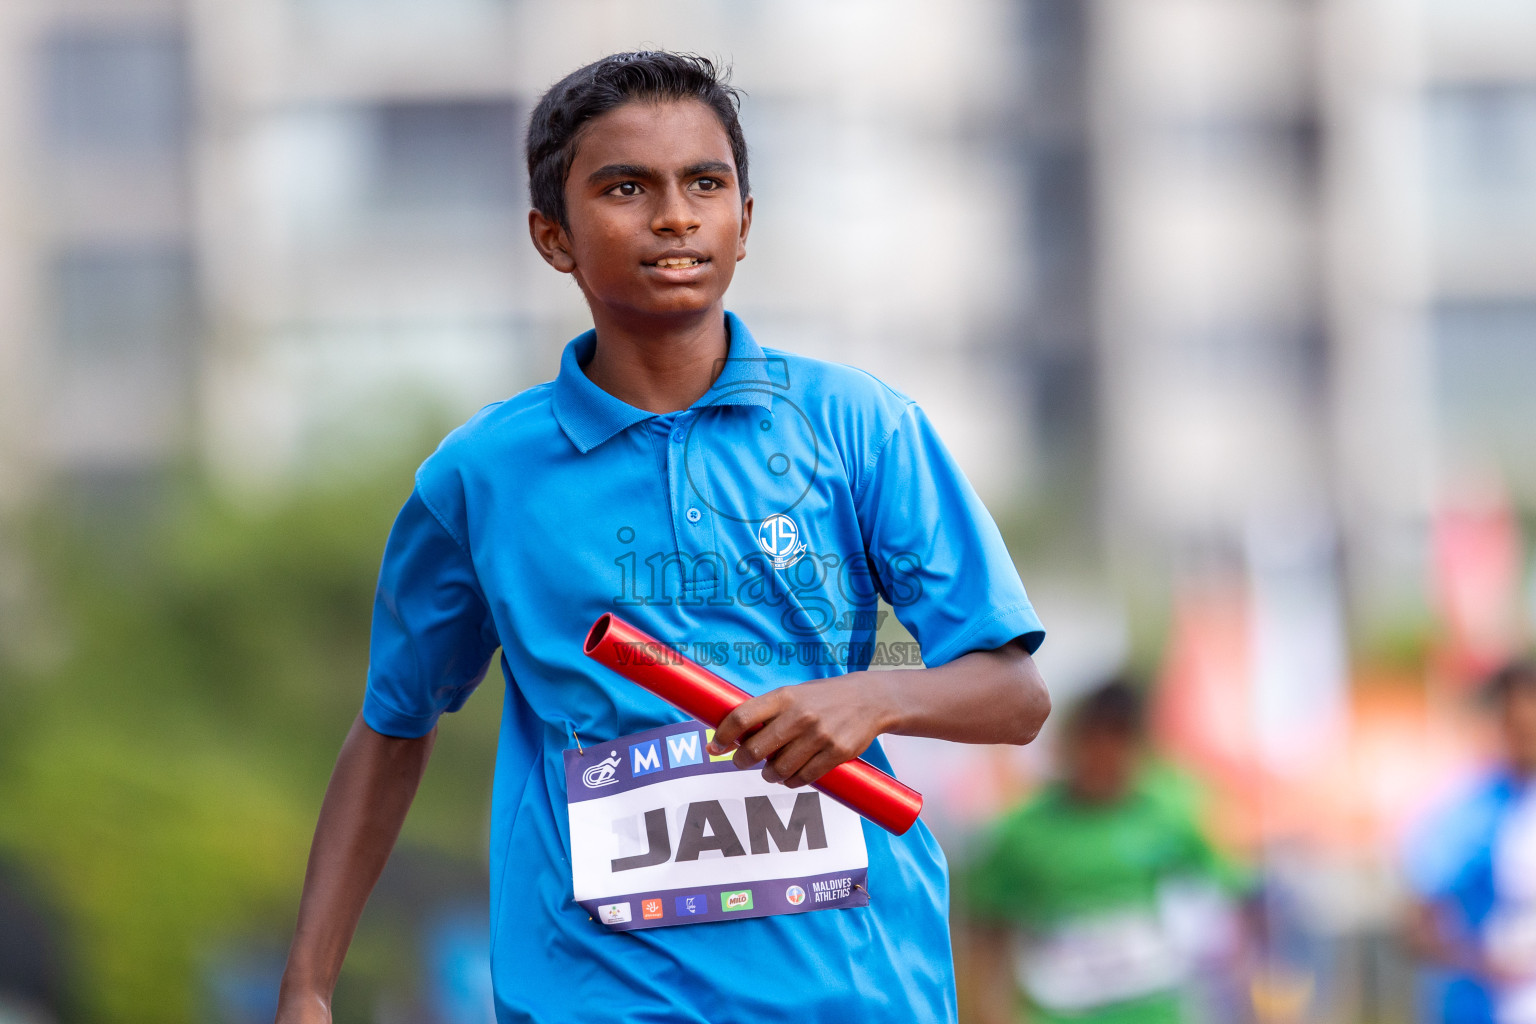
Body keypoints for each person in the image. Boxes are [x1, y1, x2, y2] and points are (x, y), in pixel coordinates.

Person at [274, 51, 1050, 1024]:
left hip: (852, 993)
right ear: (552, 237)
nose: (674, 215)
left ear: (745, 221)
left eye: (705, 183)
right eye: (625, 187)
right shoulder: (480, 478)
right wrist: (306, 986)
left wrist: (871, 697)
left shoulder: (859, 426)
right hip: (594, 997)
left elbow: (1016, 696)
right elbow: (393, 728)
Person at [961, 680, 1238, 1024]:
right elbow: (986, 930)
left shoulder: (1172, 815)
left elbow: (1226, 902)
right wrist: (987, 1011)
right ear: (1069, 743)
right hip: (1054, 1013)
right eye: (1092, 740)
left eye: (1118, 741)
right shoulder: (1021, 833)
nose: (1103, 755)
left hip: (1154, 1011)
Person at [1403, 659, 1536, 1024]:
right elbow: (1417, 924)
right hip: (1481, 1011)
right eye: (1517, 725)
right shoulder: (1466, 813)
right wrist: (1481, 962)